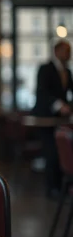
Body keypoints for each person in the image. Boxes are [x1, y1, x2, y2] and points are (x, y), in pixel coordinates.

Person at [32, 39, 72, 199]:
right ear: (56, 51)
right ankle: (52, 189)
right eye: (65, 50)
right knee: (52, 153)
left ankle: (62, 187)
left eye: (69, 51)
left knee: (62, 152)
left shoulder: (67, 72)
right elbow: (42, 91)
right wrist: (58, 105)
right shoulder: (45, 69)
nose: (68, 54)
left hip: (60, 120)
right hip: (45, 117)